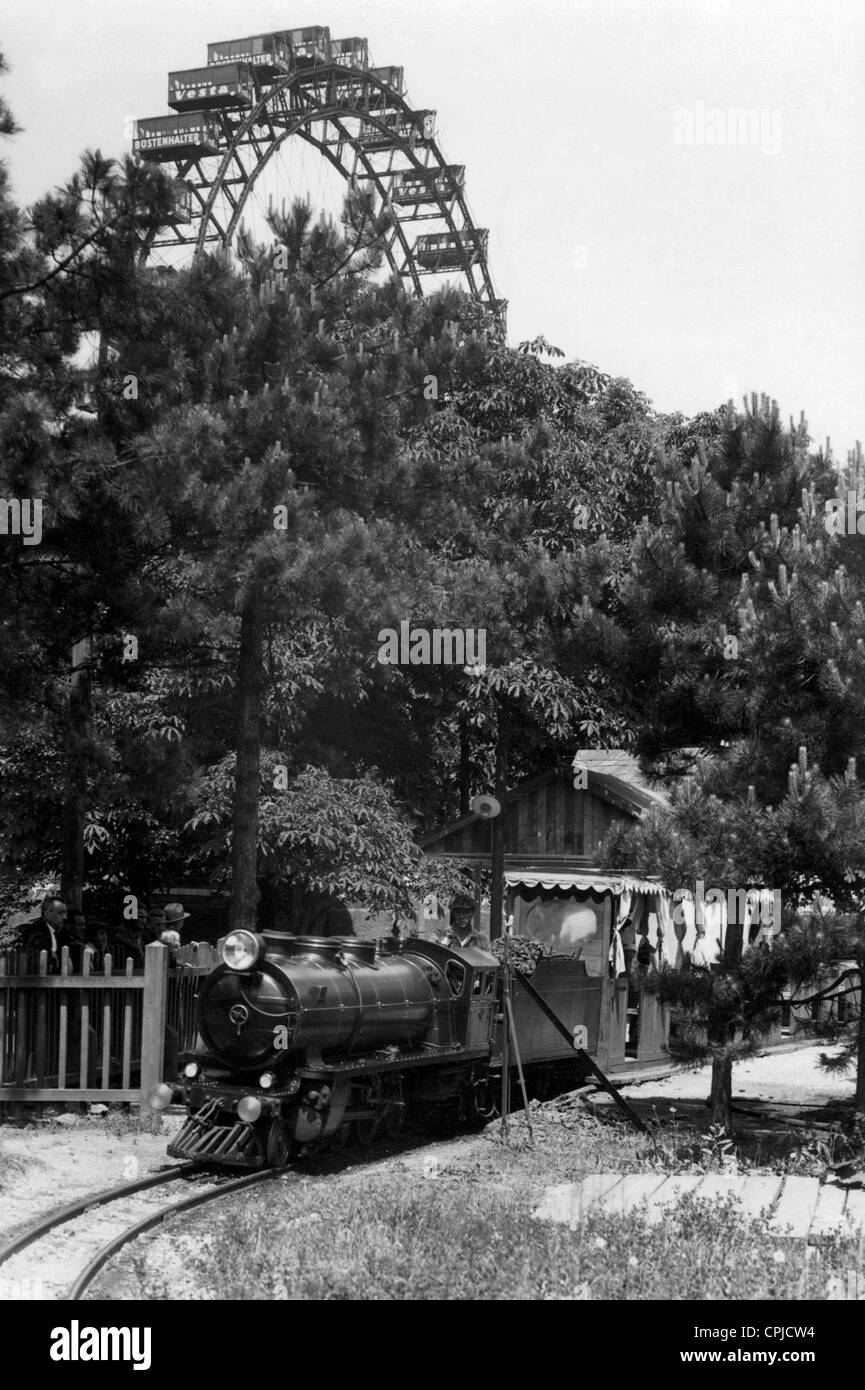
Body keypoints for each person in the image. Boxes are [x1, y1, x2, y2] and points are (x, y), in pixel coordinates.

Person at [18, 895, 70, 972]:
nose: (65, 917)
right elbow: (38, 960)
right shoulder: (35, 931)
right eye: (61, 913)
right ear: (47, 914)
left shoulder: (62, 932)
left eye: (65, 913)